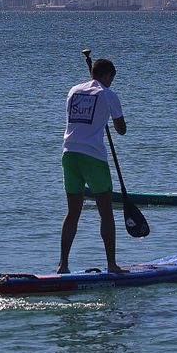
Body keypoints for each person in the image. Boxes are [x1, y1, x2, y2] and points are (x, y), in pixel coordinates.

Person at [59, 56, 126, 273]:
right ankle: (112, 264)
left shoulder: (73, 91)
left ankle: (63, 265)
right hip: (93, 157)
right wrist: (108, 116)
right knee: (106, 212)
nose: (111, 83)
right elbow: (121, 130)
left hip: (69, 154)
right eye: (111, 79)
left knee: (72, 212)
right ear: (107, 75)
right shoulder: (108, 94)